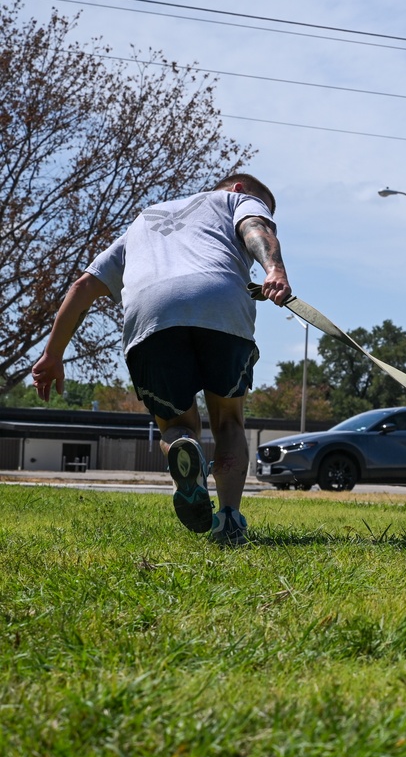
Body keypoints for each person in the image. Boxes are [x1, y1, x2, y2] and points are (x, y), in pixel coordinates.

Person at [31, 173, 291, 546]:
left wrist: (52, 354)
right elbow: (254, 226)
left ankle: (185, 450)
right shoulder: (234, 202)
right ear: (237, 189)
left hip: (150, 316)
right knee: (229, 421)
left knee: (175, 426)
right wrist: (274, 269)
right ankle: (230, 519)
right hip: (219, 303)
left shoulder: (144, 219)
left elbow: (83, 286)